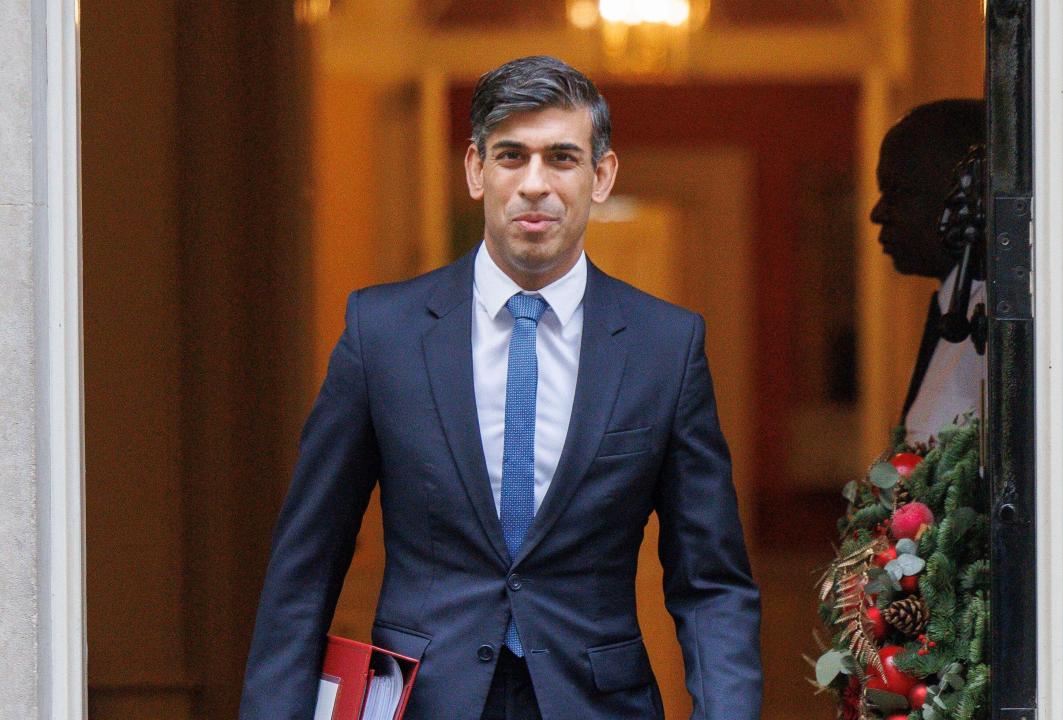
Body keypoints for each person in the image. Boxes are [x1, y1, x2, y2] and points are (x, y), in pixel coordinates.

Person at [239, 56, 761, 720]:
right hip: (427, 702)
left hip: (599, 704)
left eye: (562, 158)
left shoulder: (666, 347)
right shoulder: (383, 333)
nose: (535, 185)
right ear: (475, 170)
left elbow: (711, 583)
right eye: (511, 156)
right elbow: (306, 561)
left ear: (601, 176)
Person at [869, 99, 986, 444]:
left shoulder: (996, 322)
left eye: (898, 192)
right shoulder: (956, 310)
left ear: (968, 196)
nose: (878, 213)